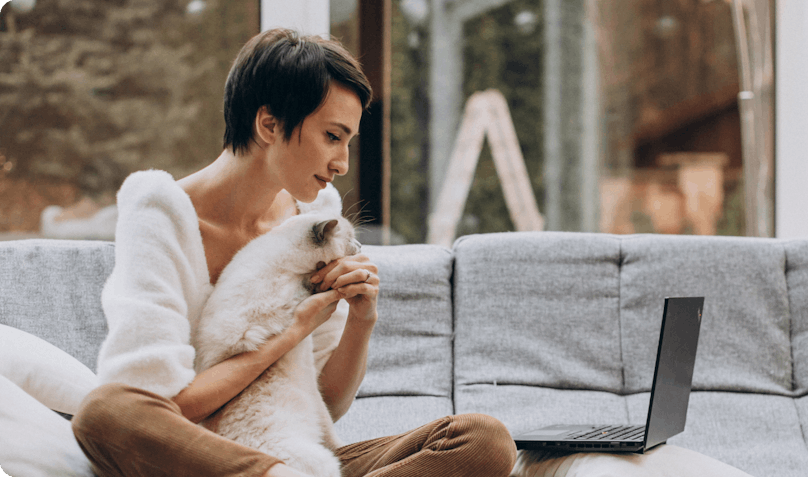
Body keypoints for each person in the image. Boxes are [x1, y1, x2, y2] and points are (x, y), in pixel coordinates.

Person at [70, 28, 517, 477]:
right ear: (269, 124)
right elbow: (166, 410)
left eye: (349, 142)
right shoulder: (160, 216)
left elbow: (324, 402)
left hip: (299, 458)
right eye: (332, 136)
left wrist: (363, 320)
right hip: (204, 461)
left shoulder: (313, 220)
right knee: (104, 412)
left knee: (482, 440)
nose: (342, 162)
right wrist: (287, 335)